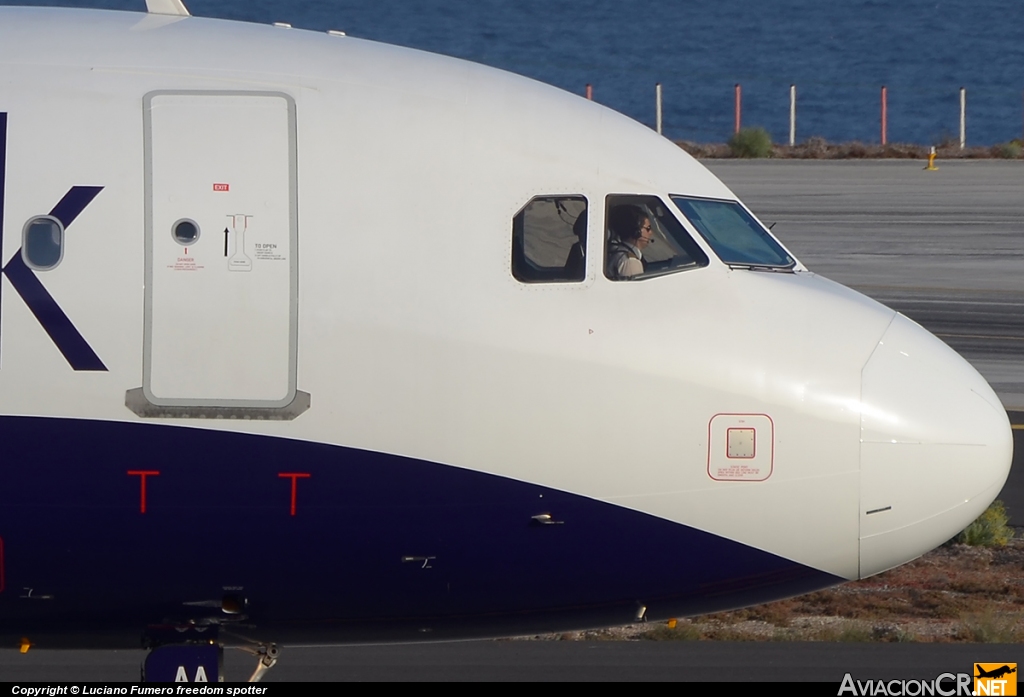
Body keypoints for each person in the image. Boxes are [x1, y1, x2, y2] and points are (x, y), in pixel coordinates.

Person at [606, 205, 654, 280]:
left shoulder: (616, 251)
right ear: (636, 232)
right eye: (648, 228)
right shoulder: (631, 262)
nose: (651, 232)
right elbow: (634, 291)